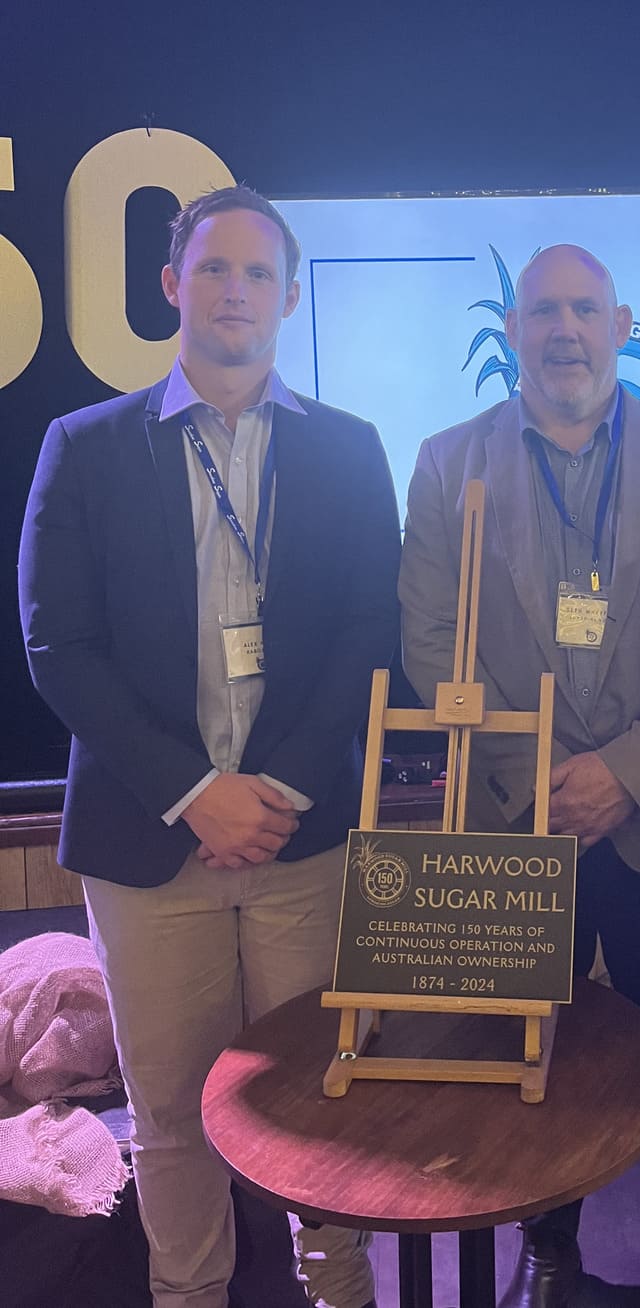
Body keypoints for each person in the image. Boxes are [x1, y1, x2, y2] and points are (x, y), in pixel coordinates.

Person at [18, 185, 401, 1308]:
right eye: (215, 268)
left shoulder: (348, 448)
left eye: (259, 273)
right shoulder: (82, 449)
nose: (237, 290)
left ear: (289, 297)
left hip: (301, 837)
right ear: (172, 285)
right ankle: (188, 1296)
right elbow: (59, 646)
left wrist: (272, 787)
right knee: (174, 1114)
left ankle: (338, 1293)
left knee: (319, 1097)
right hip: (148, 848)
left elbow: (369, 633)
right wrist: (197, 793)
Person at [398, 244, 640, 1308]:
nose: (564, 329)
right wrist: (542, 773)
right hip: (519, 819)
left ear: (622, 322)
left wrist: (631, 769)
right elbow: (429, 641)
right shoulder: (445, 460)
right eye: (542, 310)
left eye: (584, 308)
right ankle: (548, 1242)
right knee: (525, 1042)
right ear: (512, 331)